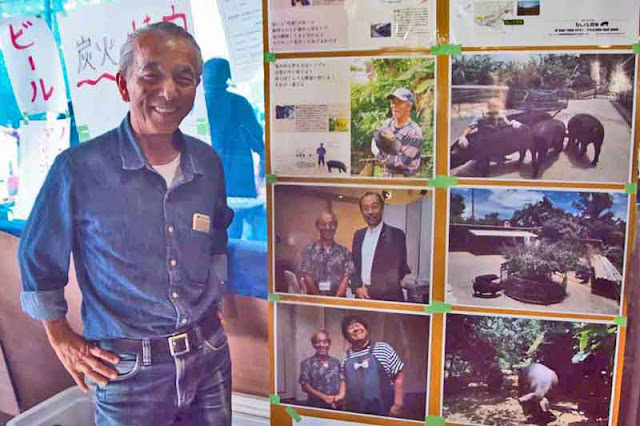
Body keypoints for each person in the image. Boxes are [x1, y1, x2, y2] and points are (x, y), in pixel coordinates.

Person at [18, 22, 234, 425]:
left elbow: (217, 234)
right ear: (123, 85)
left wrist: (214, 295)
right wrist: (61, 337)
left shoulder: (207, 163)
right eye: (151, 75)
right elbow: (37, 259)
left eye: (183, 79)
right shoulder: (79, 169)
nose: (168, 92)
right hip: (127, 370)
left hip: (208, 356)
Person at [335, 315, 405, 417]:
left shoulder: (383, 348)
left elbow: (399, 376)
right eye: (350, 328)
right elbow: (343, 380)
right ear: (346, 336)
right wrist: (341, 395)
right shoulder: (345, 357)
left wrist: (398, 404)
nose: (356, 329)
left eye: (358, 325)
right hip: (355, 412)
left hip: (384, 410)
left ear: (366, 330)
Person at [350, 192, 410, 302]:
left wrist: (371, 290)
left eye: (374, 207)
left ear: (382, 208)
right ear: (361, 211)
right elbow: (353, 266)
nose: (370, 212)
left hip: (388, 299)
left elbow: (398, 270)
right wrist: (357, 287)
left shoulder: (396, 235)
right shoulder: (358, 235)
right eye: (365, 208)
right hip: (362, 297)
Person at [369, 88, 423, 177]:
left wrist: (387, 149)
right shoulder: (388, 123)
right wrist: (381, 153)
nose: (394, 106)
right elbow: (375, 139)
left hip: (403, 179)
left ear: (409, 107)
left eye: (399, 103)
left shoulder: (414, 132)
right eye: (393, 102)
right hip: (386, 175)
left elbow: (403, 162)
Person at [299, 211, 354, 297]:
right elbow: (307, 276)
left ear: (336, 227)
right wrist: (319, 301)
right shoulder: (309, 251)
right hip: (314, 302)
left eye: (331, 224)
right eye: (323, 224)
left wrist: (335, 300)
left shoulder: (345, 252)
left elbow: (346, 278)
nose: (328, 228)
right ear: (317, 227)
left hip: (338, 302)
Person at [298, 330, 342, 409]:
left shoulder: (336, 362)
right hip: (316, 406)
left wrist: (339, 397)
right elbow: (305, 386)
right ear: (313, 345)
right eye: (317, 342)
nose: (321, 345)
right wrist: (325, 397)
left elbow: (342, 381)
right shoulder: (307, 363)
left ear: (329, 343)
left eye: (325, 342)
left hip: (336, 404)